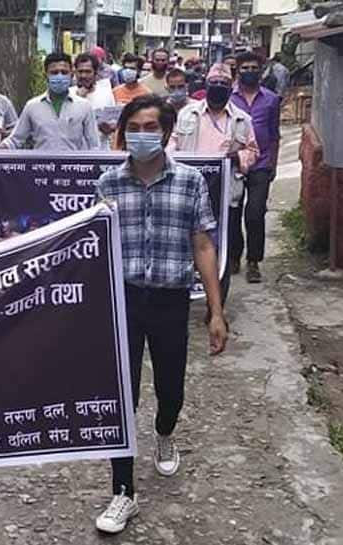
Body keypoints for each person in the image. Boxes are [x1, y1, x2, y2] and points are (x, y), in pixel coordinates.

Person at [93, 95, 228, 535]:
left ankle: (165, 432)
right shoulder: (107, 183)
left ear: (167, 133)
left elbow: (203, 245)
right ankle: (123, 492)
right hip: (124, 301)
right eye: (135, 125)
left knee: (171, 389)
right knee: (121, 397)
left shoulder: (190, 182)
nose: (143, 134)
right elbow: (92, 249)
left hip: (170, 300)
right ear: (122, 132)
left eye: (152, 127)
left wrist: (216, 311)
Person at [167, 63, 260, 302]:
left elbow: (253, 151)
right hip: (188, 192)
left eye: (224, 84)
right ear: (205, 85)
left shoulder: (242, 119)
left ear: (231, 88)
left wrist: (237, 158)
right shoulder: (186, 114)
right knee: (185, 247)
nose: (218, 87)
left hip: (225, 194)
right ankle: (182, 297)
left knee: (221, 251)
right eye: (214, 83)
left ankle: (216, 302)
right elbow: (171, 144)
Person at [229, 52, 282, 283]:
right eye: (244, 68)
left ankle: (253, 261)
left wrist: (273, 164)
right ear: (238, 71)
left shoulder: (270, 99)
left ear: (260, 71)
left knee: (255, 213)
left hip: (261, 164)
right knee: (232, 214)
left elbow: (274, 135)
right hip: (235, 163)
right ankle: (233, 257)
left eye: (253, 68)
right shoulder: (229, 98)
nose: (249, 71)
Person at [0, 52, 100, 151]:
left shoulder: (84, 106)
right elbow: (15, 140)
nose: (59, 76)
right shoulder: (32, 106)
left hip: (73, 167)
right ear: (46, 74)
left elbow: (94, 146)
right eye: (54, 72)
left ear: (72, 74)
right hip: (42, 167)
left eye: (64, 72)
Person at [72, 52, 118, 150]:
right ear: (75, 72)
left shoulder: (106, 93)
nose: (83, 75)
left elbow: (114, 122)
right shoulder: (68, 94)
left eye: (88, 71)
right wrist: (79, 98)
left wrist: (109, 128)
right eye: (80, 71)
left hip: (100, 152)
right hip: (74, 154)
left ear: (96, 73)